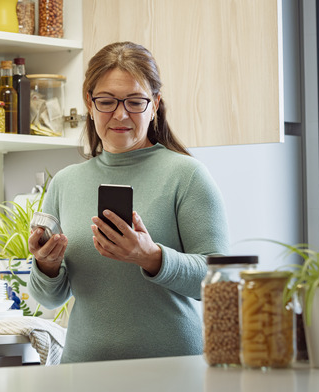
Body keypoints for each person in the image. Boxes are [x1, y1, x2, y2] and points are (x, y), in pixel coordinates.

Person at [27, 41, 229, 363]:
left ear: (155, 104)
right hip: (84, 373)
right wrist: (46, 266)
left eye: (135, 102)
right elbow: (47, 298)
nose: (120, 114)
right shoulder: (65, 183)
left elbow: (221, 279)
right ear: (89, 105)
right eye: (106, 101)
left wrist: (152, 258)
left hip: (172, 372)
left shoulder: (187, 175)